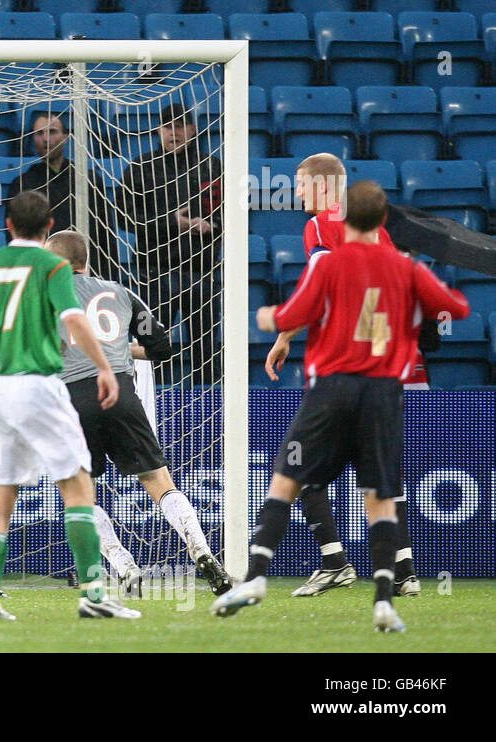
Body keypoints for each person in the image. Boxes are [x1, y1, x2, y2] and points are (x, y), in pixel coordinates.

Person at [211, 181, 469, 633]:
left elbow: (292, 315)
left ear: (343, 218)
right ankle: (386, 599)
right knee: (380, 496)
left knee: (286, 479)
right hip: (385, 394)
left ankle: (254, 579)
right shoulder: (405, 266)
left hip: (332, 390)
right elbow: (456, 308)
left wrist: (263, 317)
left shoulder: (330, 263)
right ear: (384, 220)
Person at [0, 191, 139, 620]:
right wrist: (104, 367)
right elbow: (73, 319)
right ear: (48, 227)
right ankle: (93, 595)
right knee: (76, 484)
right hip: (37, 386)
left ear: (7, 226)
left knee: (0, 497)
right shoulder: (52, 265)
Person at [267, 153, 429, 599]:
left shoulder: (323, 223)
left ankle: (336, 562)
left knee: (298, 464)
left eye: (300, 184)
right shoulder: (377, 228)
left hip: (345, 367)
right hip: (388, 364)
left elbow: (319, 284)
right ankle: (403, 572)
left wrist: (284, 334)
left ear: (322, 185)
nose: (296, 193)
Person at [45, 229, 231, 596]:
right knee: (159, 481)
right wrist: (115, 349)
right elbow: (162, 347)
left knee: (78, 492)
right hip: (122, 394)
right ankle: (203, 550)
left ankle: (123, 564)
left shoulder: (46, 294)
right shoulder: (121, 292)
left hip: (74, 398)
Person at [119, 103, 222, 386]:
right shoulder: (140, 168)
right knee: (154, 348)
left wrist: (210, 227)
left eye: (179, 126)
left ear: (192, 129)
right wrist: (172, 223)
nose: (173, 132)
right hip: (154, 273)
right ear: (158, 131)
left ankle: (211, 410)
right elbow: (125, 219)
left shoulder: (211, 167)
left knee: (206, 351)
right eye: (167, 126)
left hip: (200, 271)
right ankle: (155, 405)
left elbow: (229, 218)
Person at [8, 111, 119, 281]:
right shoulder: (22, 185)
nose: (45, 138)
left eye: (52, 131)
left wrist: (110, 278)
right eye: (39, 133)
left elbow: (106, 234)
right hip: (42, 276)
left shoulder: (88, 179)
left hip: (87, 274)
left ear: (66, 136)